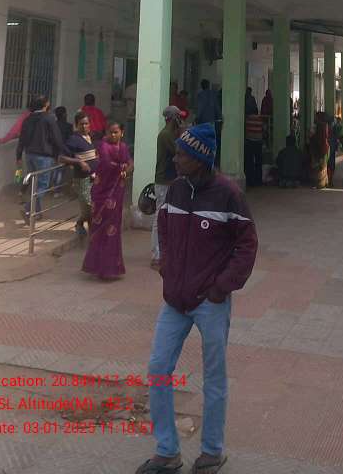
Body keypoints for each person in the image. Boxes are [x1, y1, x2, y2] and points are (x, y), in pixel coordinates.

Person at [137, 123, 258, 474]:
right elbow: (163, 225)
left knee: (214, 377)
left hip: (210, 302)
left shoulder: (229, 195)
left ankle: (212, 452)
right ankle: (167, 451)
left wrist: (222, 287)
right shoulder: (176, 189)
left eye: (182, 154)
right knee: (158, 368)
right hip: (175, 299)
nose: (175, 159)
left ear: (201, 158)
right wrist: (166, 263)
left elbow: (247, 245)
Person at [82, 122, 133, 279]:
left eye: (116, 132)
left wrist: (127, 170)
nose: (113, 135)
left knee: (113, 230)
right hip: (102, 194)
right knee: (99, 229)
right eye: (110, 132)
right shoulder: (103, 146)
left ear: (122, 132)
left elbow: (130, 163)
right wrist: (121, 168)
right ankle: (97, 266)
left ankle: (111, 268)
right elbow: (107, 164)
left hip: (116, 193)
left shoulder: (123, 147)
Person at [16, 97, 64, 219]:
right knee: (43, 184)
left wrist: (18, 155)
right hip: (44, 156)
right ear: (45, 105)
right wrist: (60, 153)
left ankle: (36, 212)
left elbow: (22, 139)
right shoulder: (49, 118)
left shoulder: (28, 119)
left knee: (35, 183)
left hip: (29, 155)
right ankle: (28, 208)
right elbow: (56, 138)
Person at [151, 106, 184, 270]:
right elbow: (178, 150)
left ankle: (167, 252)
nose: (180, 120)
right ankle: (156, 255)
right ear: (173, 118)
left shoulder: (172, 134)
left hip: (171, 180)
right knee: (160, 217)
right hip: (164, 181)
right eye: (179, 117)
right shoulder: (165, 135)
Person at [59, 111, 97, 239]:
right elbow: (61, 158)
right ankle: (84, 226)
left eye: (86, 124)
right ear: (76, 125)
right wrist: (79, 162)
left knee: (94, 206)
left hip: (95, 178)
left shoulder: (92, 137)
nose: (84, 126)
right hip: (82, 179)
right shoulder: (73, 139)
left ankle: (82, 225)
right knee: (88, 205)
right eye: (81, 124)